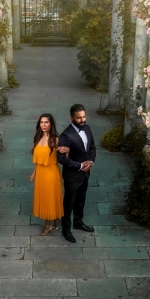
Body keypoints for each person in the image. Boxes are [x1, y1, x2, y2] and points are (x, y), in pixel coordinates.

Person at [57, 104, 96, 243]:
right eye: (79, 118)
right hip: (72, 176)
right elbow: (60, 158)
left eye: (84, 116)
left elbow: (92, 148)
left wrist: (90, 162)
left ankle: (78, 222)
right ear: (71, 118)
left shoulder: (88, 128)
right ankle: (66, 229)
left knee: (81, 200)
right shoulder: (66, 135)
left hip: (85, 174)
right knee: (69, 203)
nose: (82, 120)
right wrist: (79, 166)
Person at [29, 113, 69, 236]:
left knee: (50, 199)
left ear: (51, 123)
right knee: (45, 198)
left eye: (46, 122)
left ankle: (47, 226)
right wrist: (34, 172)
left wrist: (68, 150)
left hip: (51, 173)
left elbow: (64, 158)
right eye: (41, 122)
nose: (44, 125)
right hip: (40, 173)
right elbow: (38, 159)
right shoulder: (38, 137)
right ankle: (56, 220)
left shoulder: (56, 139)